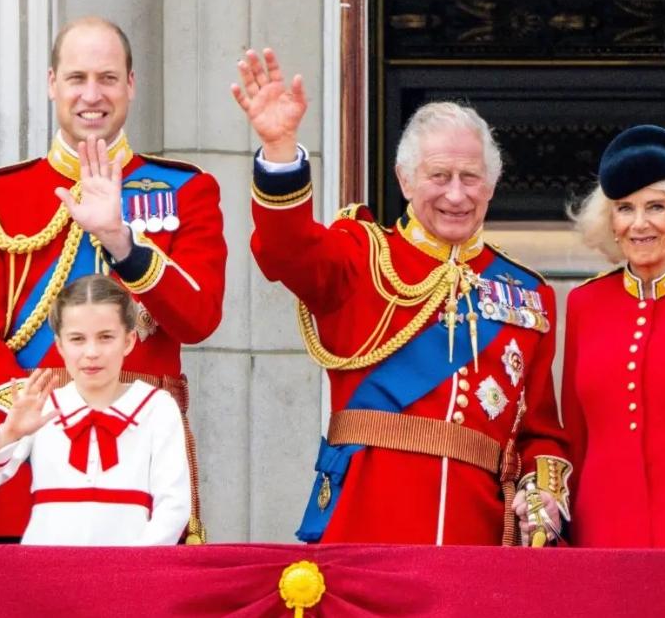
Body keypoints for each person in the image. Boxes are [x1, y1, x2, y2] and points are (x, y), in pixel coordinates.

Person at [232, 49, 573, 545]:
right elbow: (286, 250)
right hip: (364, 527)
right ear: (405, 180)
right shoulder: (360, 256)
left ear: (492, 186)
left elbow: (541, 431)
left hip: (473, 538)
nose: (456, 195)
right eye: (439, 176)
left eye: (470, 177)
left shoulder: (529, 294)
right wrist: (280, 149)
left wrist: (544, 492)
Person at [0, 17, 225, 542]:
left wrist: (124, 244)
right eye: (77, 78)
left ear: (131, 84)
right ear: (52, 82)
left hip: (146, 455)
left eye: (108, 78)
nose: (92, 95)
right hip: (31, 468)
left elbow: (199, 318)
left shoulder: (187, 189)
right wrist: (40, 424)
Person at [563, 125, 665, 547]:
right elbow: (574, 440)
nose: (639, 224)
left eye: (656, 207)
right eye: (624, 208)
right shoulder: (586, 304)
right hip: (604, 537)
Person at [0, 275, 189, 545]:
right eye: (77, 339)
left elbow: (174, 506)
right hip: (46, 574)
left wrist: (132, 571)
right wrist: (9, 433)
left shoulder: (157, 407)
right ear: (60, 345)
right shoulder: (43, 407)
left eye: (105, 338)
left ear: (129, 341)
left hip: (129, 574)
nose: (91, 352)